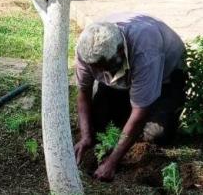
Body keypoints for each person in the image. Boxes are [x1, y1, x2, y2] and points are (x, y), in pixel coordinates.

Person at [73, 12, 187, 182]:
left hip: (167, 78)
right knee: (98, 124)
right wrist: (86, 136)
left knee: (156, 135)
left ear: (120, 51)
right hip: (123, 78)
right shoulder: (87, 50)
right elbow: (84, 91)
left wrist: (112, 161)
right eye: (96, 69)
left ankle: (159, 112)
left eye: (105, 67)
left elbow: (140, 112)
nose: (100, 73)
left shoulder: (146, 51)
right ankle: (125, 116)